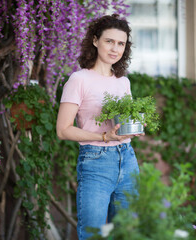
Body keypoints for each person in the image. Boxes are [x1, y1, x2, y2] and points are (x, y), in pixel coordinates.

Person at [56, 14, 142, 240]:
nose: (115, 48)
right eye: (109, 41)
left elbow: (122, 123)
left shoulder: (123, 81)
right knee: (93, 234)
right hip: (96, 162)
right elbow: (63, 129)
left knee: (126, 234)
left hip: (128, 159)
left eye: (121, 43)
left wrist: (132, 128)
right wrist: (104, 136)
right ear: (95, 41)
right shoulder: (79, 79)